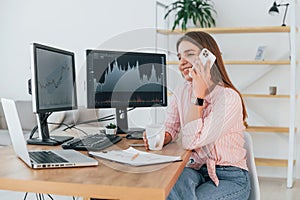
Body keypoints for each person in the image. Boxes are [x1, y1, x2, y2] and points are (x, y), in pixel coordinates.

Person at [143, 31, 251, 200]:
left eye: (190, 55)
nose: (182, 63)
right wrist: (162, 137)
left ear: (208, 58)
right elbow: (172, 127)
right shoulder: (182, 90)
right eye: (179, 57)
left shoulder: (229, 98)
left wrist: (198, 94)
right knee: (166, 187)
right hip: (194, 169)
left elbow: (190, 141)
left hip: (229, 177)